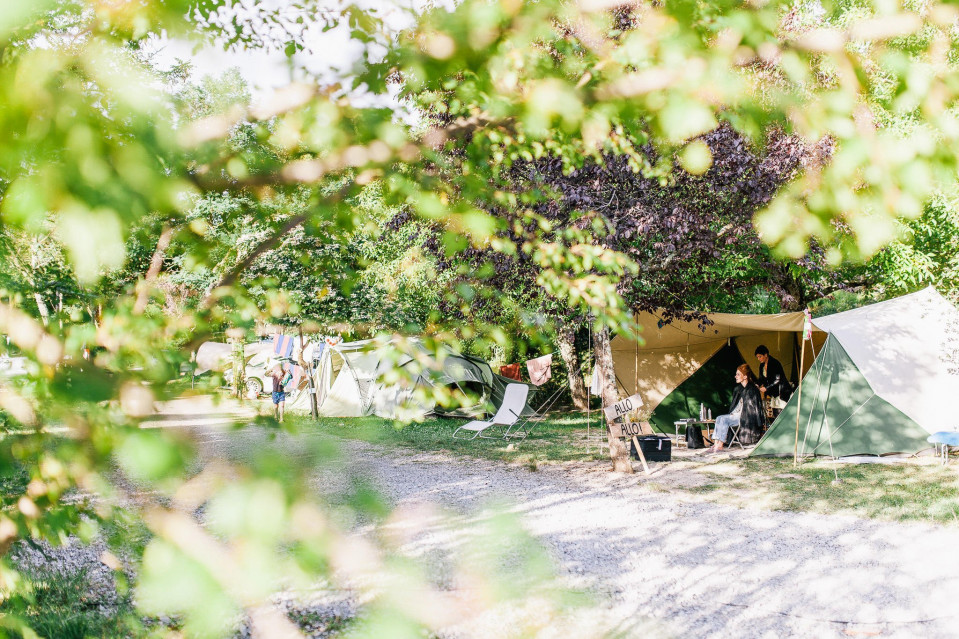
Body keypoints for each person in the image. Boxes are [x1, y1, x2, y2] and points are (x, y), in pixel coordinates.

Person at [705, 364, 765, 453]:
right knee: (719, 418)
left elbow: (754, 409)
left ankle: (720, 445)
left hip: (746, 418)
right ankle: (716, 444)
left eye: (738, 374)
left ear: (745, 376)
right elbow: (735, 405)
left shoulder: (752, 389)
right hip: (736, 415)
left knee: (724, 419)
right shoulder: (738, 389)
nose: (735, 376)